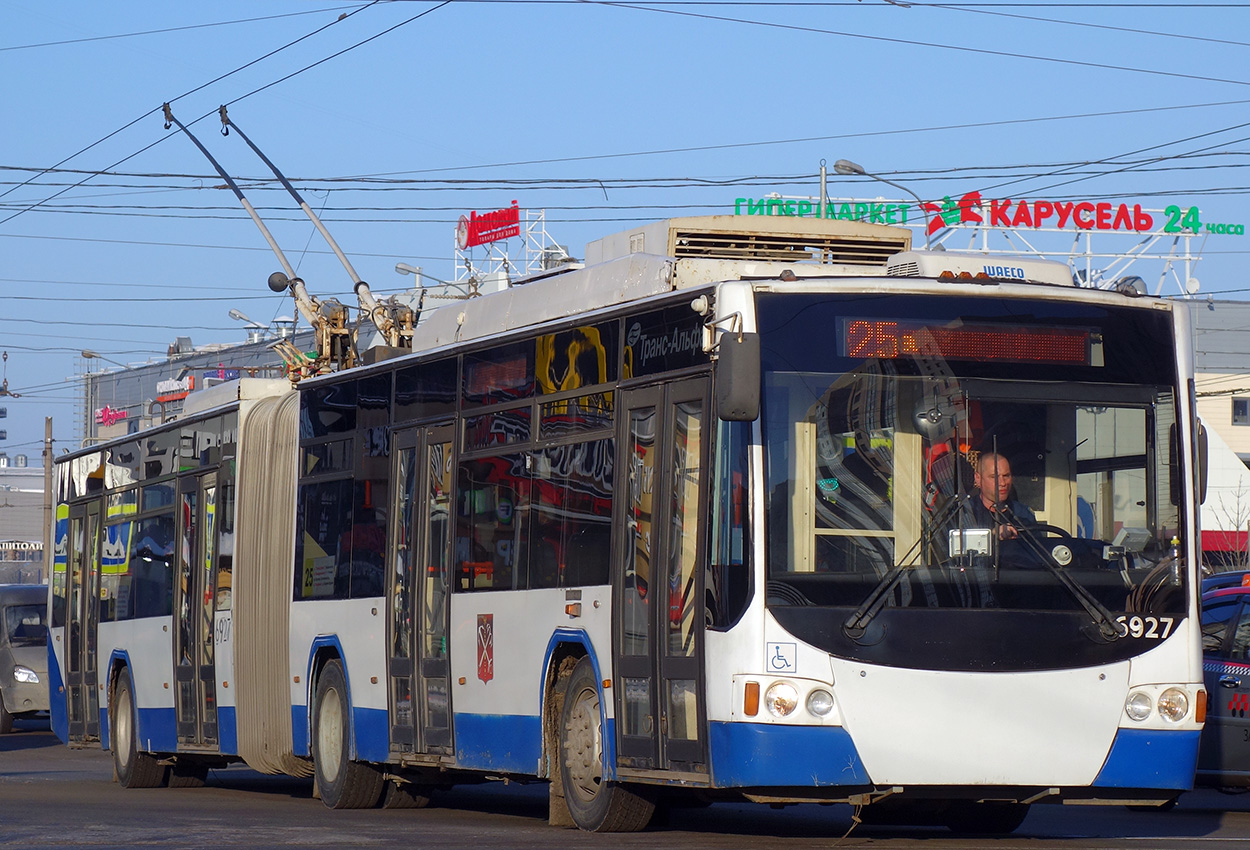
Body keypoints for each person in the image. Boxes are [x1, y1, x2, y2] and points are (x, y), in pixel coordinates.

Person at [969, 452, 1035, 539]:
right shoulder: (966, 512)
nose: (1002, 483)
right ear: (978, 478)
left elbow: (1036, 549)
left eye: (1006, 476)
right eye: (994, 477)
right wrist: (991, 535)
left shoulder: (1023, 514)